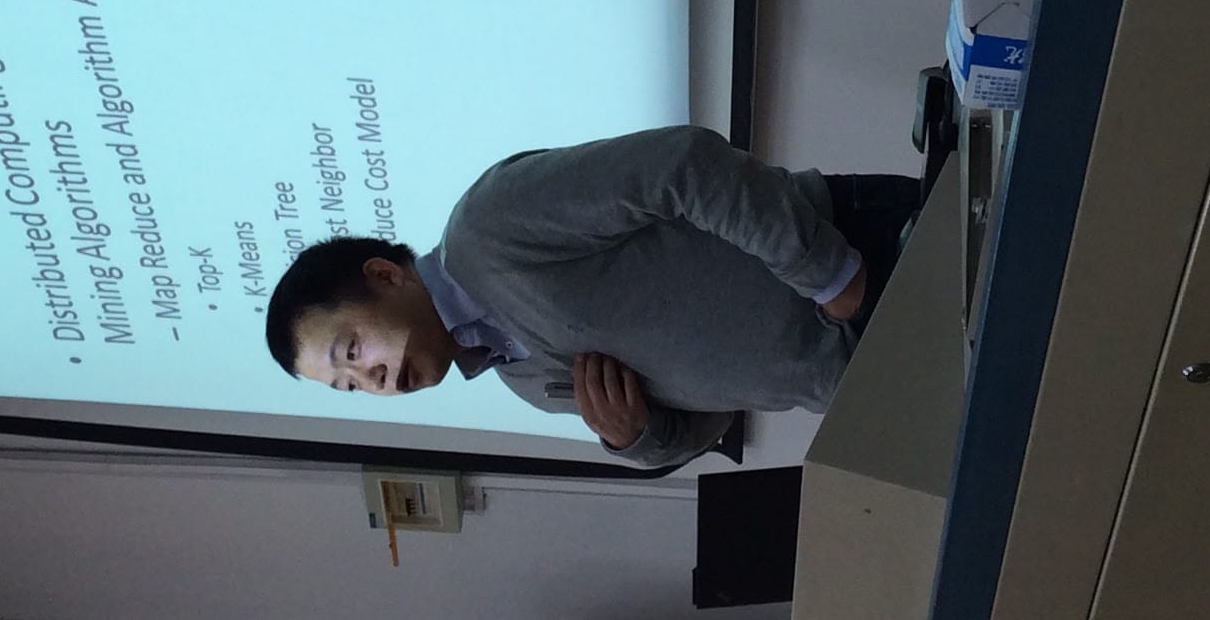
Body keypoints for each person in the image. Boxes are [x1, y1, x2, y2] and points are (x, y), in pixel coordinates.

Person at [263, 125, 923, 465]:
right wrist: (637, 438)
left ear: (385, 276)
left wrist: (831, 275)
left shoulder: (487, 227)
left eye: (353, 350)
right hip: (860, 378)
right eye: (350, 387)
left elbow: (683, 165)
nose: (374, 380)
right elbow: (714, 413)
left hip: (866, 252)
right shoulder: (522, 381)